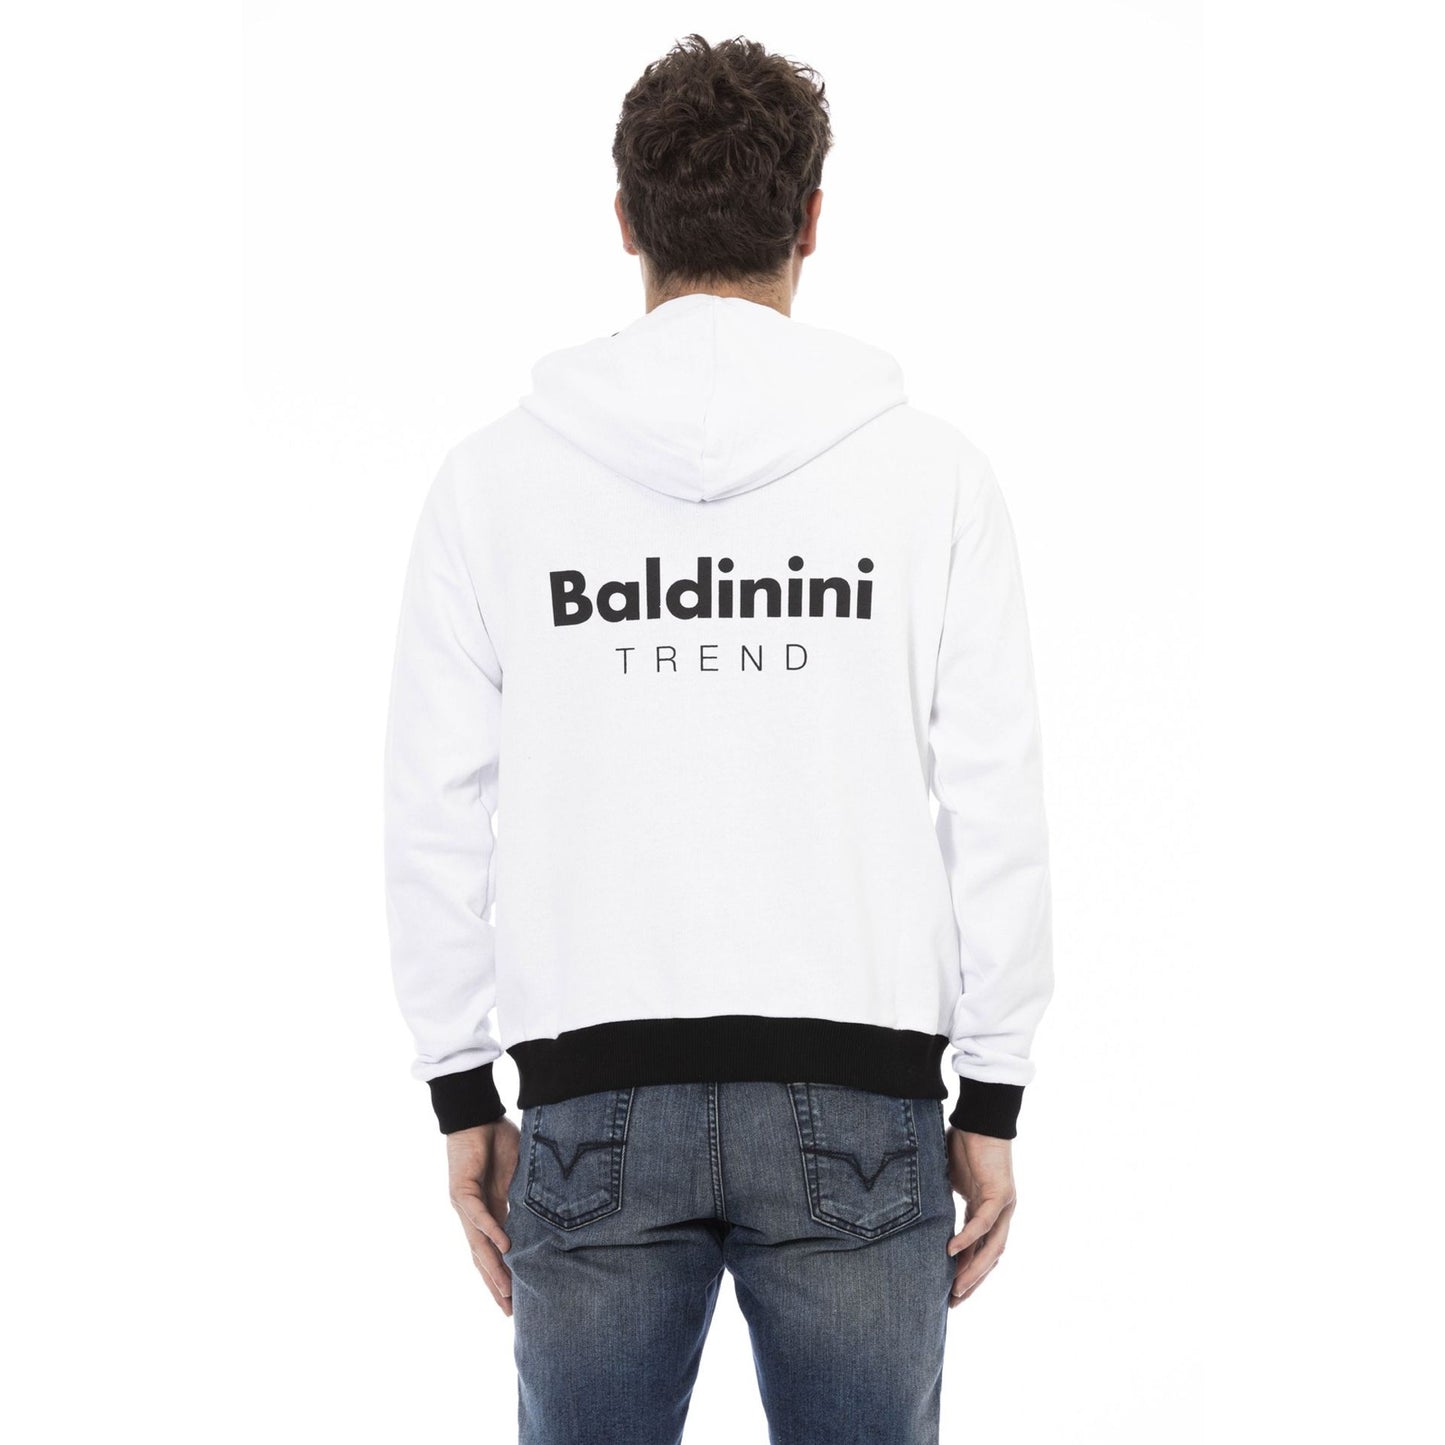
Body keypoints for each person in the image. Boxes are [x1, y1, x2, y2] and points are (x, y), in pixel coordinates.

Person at [383, 31, 1054, 1445]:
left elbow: (433, 809)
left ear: (625, 222)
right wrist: (991, 1091)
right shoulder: (930, 477)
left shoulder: (494, 482)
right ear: (810, 221)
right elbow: (993, 800)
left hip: (594, 1099)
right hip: (857, 1102)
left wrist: (461, 1088)